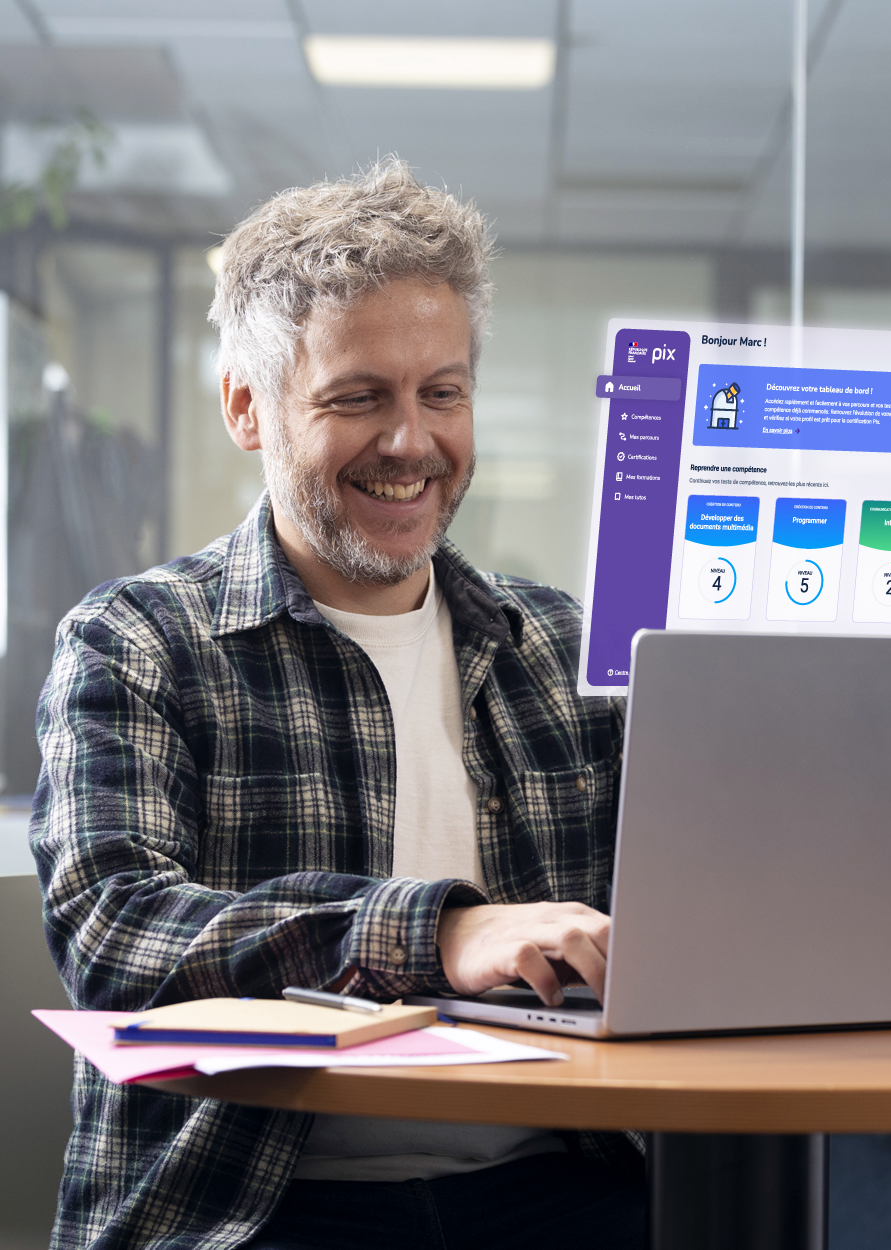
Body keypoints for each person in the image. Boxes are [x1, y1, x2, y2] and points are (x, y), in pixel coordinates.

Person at [30, 160, 645, 1250]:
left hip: (559, 1185)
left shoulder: (564, 646)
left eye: (440, 392)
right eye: (358, 397)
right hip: (250, 1205)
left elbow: (684, 904)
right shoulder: (133, 641)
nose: (410, 442)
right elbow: (113, 927)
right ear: (245, 408)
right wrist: (439, 932)